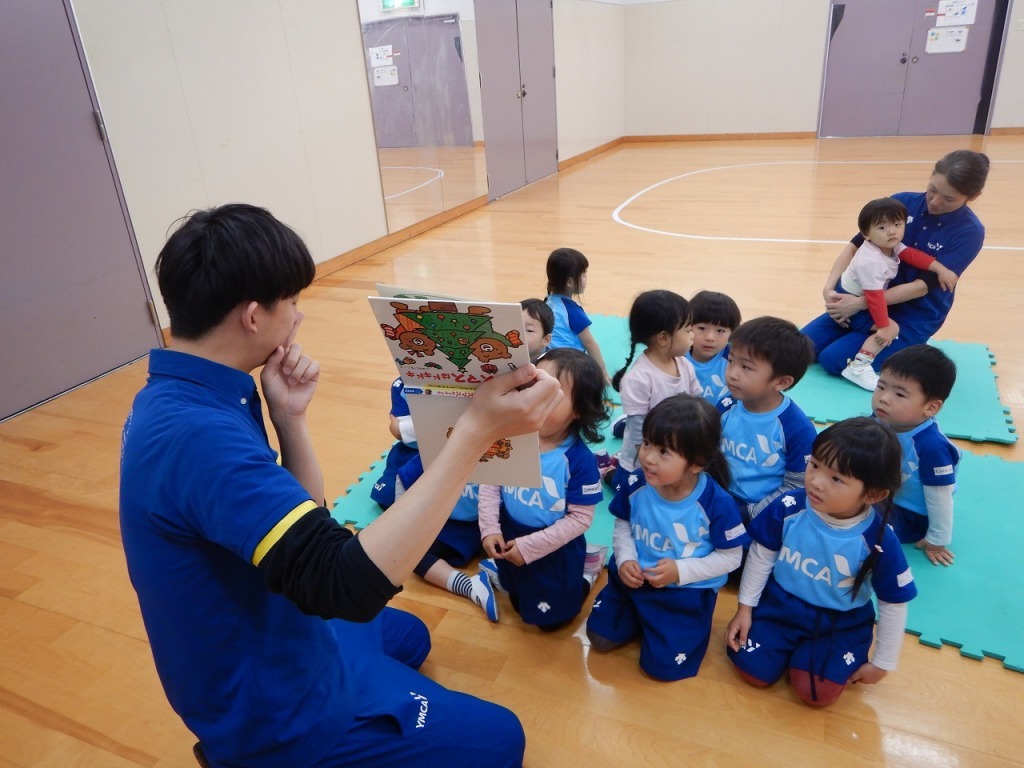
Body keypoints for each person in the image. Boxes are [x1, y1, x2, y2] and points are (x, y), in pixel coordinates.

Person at [119, 204, 562, 767]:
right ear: (253, 316)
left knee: (410, 637)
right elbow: (347, 586)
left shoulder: (185, 392)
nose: (298, 317)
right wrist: (474, 433)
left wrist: (289, 420)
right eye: (292, 302)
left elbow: (305, 525)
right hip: (277, 713)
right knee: (503, 740)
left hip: (283, 618)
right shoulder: (197, 436)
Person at [725, 418, 918, 707]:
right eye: (814, 465)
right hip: (779, 607)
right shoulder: (790, 506)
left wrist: (882, 663)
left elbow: (894, 602)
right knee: (753, 673)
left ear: (873, 494)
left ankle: (807, 657)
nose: (815, 482)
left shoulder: (878, 540)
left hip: (839, 624)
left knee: (817, 694)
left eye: (836, 479)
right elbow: (760, 556)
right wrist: (745, 609)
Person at [586, 395, 748, 680]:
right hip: (633, 583)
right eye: (648, 443)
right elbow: (623, 523)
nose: (648, 457)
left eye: (664, 452)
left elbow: (731, 557)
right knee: (599, 638)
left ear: (697, 463)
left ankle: (661, 627)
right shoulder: (637, 482)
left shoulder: (717, 503)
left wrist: (680, 571)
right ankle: (639, 619)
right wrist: (625, 559)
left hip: (684, 595)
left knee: (662, 669)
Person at [803, 150, 989, 379]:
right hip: (870, 302)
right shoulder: (903, 202)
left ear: (974, 196)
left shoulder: (970, 232)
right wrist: (829, 287)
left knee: (832, 360)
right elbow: (855, 245)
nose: (935, 202)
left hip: (911, 315)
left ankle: (912, 344)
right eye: (932, 190)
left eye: (949, 199)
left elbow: (921, 287)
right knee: (802, 347)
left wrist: (858, 304)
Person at [478, 348, 608, 631]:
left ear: (578, 410)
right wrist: (489, 528)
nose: (536, 399)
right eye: (533, 387)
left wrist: (530, 546)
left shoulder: (578, 460)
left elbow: (580, 519)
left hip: (554, 548)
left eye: (552, 395)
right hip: (511, 532)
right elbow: (490, 482)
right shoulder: (512, 436)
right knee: (516, 596)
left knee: (553, 621)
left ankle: (588, 572)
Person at [371, 378, 499, 621]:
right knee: (410, 553)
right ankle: (468, 586)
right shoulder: (431, 454)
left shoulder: (498, 456)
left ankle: (496, 570)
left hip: (479, 520)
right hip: (444, 516)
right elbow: (404, 477)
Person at [824, 197, 959, 390]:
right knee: (891, 328)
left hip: (858, 298)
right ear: (866, 235)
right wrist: (883, 327)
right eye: (882, 228)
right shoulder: (871, 262)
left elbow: (913, 255)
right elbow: (875, 298)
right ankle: (859, 366)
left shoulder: (889, 245)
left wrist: (940, 268)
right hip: (850, 301)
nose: (892, 231)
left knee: (883, 328)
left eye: (897, 225)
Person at [718, 316, 817, 521]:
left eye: (746, 367)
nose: (732, 373)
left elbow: (796, 486)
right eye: (731, 361)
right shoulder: (726, 406)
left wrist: (750, 513)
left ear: (781, 382)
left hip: (762, 514)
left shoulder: (796, 428)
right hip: (718, 498)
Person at [872, 345, 960, 567]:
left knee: (857, 522)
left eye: (899, 394)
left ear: (930, 407)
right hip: (880, 492)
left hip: (909, 514)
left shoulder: (932, 447)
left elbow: (940, 497)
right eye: (880, 386)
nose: (884, 398)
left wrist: (937, 540)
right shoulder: (880, 419)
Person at [608, 290, 702, 493]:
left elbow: (697, 404)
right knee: (628, 494)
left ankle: (621, 426)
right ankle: (608, 471)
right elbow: (638, 434)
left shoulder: (684, 364)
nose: (693, 335)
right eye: (688, 330)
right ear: (663, 338)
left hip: (674, 446)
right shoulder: (639, 379)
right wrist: (646, 465)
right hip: (644, 456)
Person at [544, 247, 611, 382]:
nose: (586, 279)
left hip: (548, 364)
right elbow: (590, 343)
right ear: (570, 282)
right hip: (570, 367)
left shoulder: (547, 302)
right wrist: (602, 371)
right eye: (584, 275)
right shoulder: (572, 311)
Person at [686, 290, 742, 403]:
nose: (710, 338)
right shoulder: (675, 357)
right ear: (687, 327)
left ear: (733, 334)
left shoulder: (737, 361)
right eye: (701, 328)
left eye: (720, 330)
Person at [520, 297, 554, 362]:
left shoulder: (550, 365)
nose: (519, 334)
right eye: (515, 327)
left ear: (546, 340)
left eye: (529, 330)